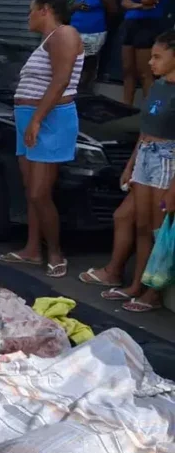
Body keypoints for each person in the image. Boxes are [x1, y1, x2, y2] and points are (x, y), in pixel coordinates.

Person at [0, 0, 83, 278]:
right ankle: (32, 249)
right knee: (30, 190)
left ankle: (56, 252)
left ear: (46, 10)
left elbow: (61, 81)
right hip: (31, 119)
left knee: (39, 193)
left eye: (31, 11)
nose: (28, 17)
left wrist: (36, 119)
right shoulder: (48, 40)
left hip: (49, 120)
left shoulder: (65, 34)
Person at [91, 31, 175, 311]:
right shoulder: (159, 86)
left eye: (157, 56)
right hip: (146, 158)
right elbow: (144, 130)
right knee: (140, 225)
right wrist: (131, 164)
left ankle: (153, 291)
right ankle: (137, 283)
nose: (150, 62)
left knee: (155, 229)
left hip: (167, 161)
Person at [120, 0, 173, 105]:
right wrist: (139, 6)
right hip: (131, 24)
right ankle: (125, 107)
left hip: (148, 25)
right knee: (128, 69)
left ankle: (148, 111)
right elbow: (125, 2)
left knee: (145, 72)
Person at [71, 0, 119, 94]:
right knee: (73, 65)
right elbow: (71, 6)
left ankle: (82, 94)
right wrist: (77, 7)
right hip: (75, 31)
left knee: (87, 66)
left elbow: (113, 11)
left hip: (93, 34)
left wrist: (101, 24)